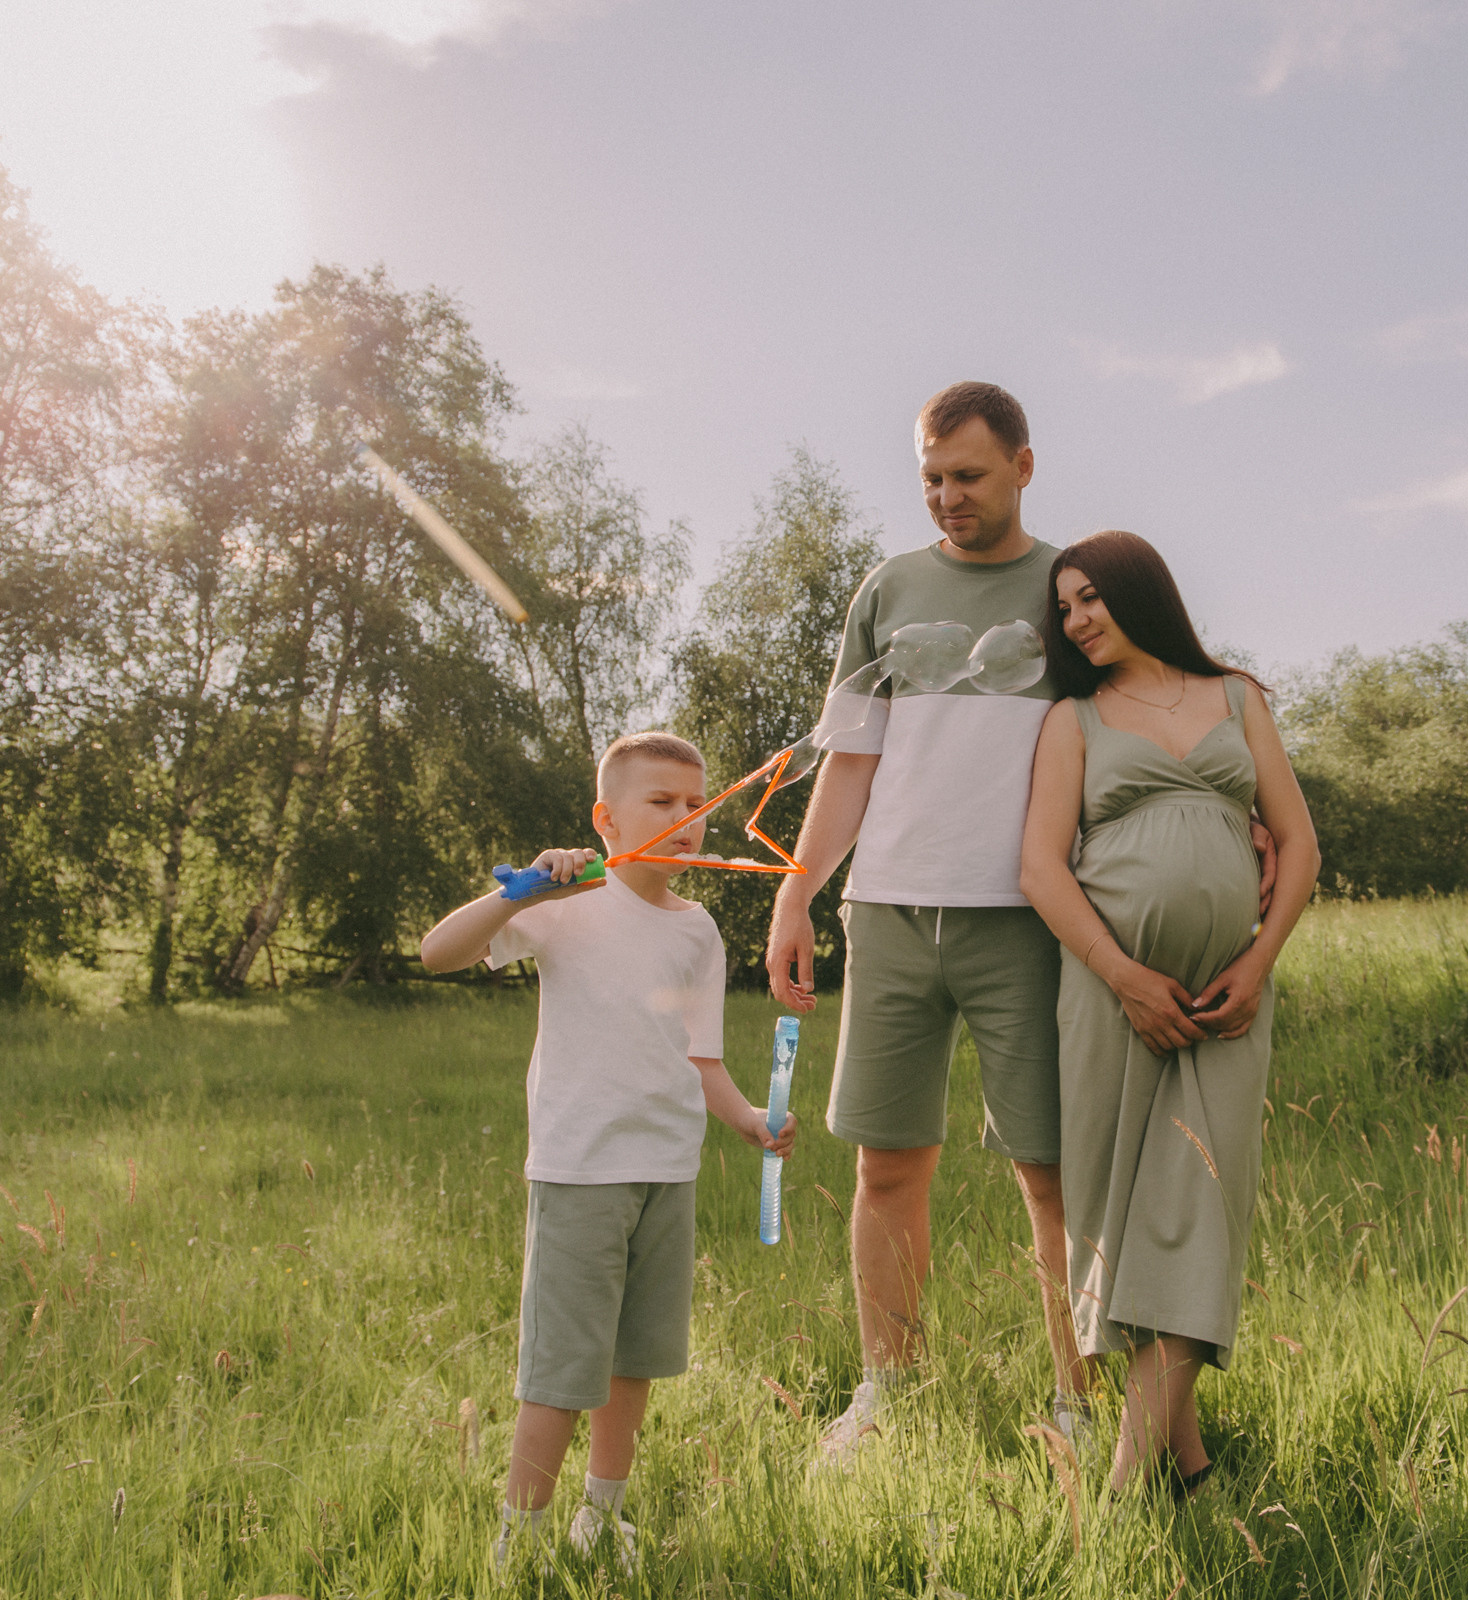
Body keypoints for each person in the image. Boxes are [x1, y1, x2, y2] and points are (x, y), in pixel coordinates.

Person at [765, 381, 1093, 1465]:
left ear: (1024, 467)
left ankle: (1079, 1404)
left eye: (970, 475)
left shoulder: (1073, 586)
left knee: (1050, 1174)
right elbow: (852, 755)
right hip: (892, 911)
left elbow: (1145, 715)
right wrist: (798, 888)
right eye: (931, 477)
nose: (947, 496)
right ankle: (886, 1396)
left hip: (1029, 920)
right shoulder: (888, 588)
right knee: (886, 1166)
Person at [420, 731, 798, 1570]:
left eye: (696, 805)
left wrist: (745, 1120)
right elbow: (437, 952)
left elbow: (700, 1058)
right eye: (660, 802)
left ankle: (603, 1516)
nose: (684, 819)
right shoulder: (567, 901)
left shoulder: (699, 931)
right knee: (562, 1369)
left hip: (669, 1172)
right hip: (582, 1169)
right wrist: (518, 893)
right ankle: (519, 1541)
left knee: (635, 1363)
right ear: (606, 817)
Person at [1018, 530, 1320, 1499]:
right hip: (1113, 997)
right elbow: (1039, 868)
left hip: (1228, 998)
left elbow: (1303, 846)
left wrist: (1260, 959)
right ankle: (1188, 1473)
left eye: (1091, 597)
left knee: (1204, 1215)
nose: (1077, 619)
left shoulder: (1237, 696)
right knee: (1114, 1224)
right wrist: (1122, 974)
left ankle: (1116, 1494)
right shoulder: (1072, 718)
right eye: (1064, 608)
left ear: (1141, 593)